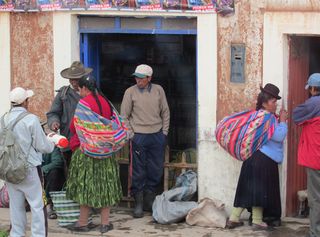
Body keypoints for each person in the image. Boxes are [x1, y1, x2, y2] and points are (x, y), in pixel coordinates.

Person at [226, 83, 288, 230]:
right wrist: (283, 121)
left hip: (251, 157)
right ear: (265, 102)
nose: (276, 105)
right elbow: (278, 136)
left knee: (248, 189)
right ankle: (257, 220)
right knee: (260, 190)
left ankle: (234, 218)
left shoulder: (256, 116)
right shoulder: (268, 118)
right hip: (263, 159)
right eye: (274, 102)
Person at [66, 76, 122, 233]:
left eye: (80, 90)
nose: (79, 93)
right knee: (106, 185)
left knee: (85, 186)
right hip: (106, 152)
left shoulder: (84, 104)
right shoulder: (106, 102)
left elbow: (73, 127)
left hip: (87, 153)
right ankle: (105, 223)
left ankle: (82, 223)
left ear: (84, 88)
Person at [4, 87, 55, 237]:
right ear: (25, 102)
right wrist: (52, 142)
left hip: (10, 169)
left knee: (16, 206)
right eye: (28, 99)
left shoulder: (3, 119)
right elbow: (43, 146)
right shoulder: (31, 119)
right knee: (37, 206)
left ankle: (16, 234)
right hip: (30, 169)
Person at [121, 64, 170, 218]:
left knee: (155, 169)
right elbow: (124, 116)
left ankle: (149, 201)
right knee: (138, 170)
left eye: (141, 78)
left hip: (156, 135)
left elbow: (165, 112)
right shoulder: (130, 92)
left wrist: (164, 132)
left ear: (149, 78)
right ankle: (139, 203)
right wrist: (131, 134)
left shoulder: (158, 90)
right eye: (136, 77)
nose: (138, 80)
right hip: (139, 136)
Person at [46, 61, 92, 173]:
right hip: (68, 140)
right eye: (71, 79)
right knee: (71, 172)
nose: (73, 82)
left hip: (87, 141)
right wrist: (54, 122)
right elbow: (53, 113)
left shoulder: (90, 93)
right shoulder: (63, 94)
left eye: (76, 79)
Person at [293, 73, 320, 237]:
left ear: (312, 89)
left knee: (316, 198)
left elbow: (296, 115)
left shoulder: (312, 104)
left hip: (316, 158)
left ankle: (315, 233)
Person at [41, 146, 65, 219]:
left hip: (46, 174)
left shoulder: (51, 146)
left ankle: (49, 204)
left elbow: (57, 162)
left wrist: (42, 170)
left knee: (54, 172)